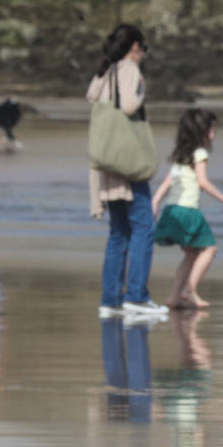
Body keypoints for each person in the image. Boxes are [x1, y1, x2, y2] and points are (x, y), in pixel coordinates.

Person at [87, 23, 168, 322]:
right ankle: (137, 296)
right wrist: (142, 84)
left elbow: (91, 97)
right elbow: (132, 105)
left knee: (119, 231)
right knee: (144, 225)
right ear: (134, 47)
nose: (144, 53)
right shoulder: (129, 68)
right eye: (143, 47)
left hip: (107, 161)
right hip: (127, 161)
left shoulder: (104, 71)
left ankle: (111, 300)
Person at [151, 108, 223, 309]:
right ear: (202, 132)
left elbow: (167, 182)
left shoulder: (181, 154)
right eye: (212, 130)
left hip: (172, 211)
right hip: (188, 212)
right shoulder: (200, 154)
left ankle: (174, 297)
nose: (214, 135)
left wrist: (155, 203)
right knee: (210, 249)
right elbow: (203, 182)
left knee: (191, 254)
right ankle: (189, 290)